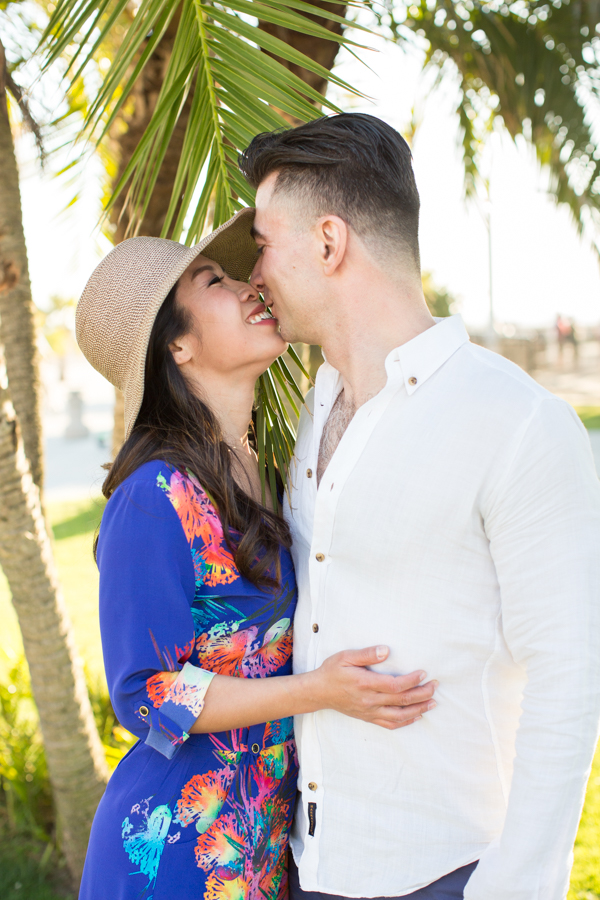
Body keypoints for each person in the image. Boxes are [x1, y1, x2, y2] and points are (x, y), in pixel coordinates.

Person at [239, 114, 600, 900]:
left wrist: (510, 889)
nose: (253, 274)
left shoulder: (520, 422)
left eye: (263, 243)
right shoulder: (317, 404)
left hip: (446, 874)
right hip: (309, 866)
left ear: (329, 243)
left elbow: (569, 678)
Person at [75, 209, 436, 900]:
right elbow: (144, 694)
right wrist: (319, 691)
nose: (247, 287)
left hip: (261, 849)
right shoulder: (156, 496)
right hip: (175, 853)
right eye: (213, 281)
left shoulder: (268, 470)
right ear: (176, 348)